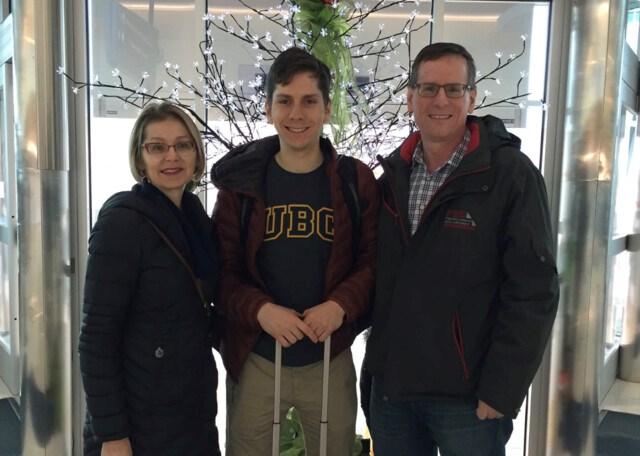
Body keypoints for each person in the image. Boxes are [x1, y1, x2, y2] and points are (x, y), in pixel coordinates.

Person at [364, 42, 559, 456]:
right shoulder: (391, 178)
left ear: (472, 97)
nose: (441, 100)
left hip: (468, 400)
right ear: (411, 97)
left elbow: (533, 290)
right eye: (429, 88)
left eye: (454, 89)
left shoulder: (509, 175)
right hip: (392, 391)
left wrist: (502, 390)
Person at [211, 47, 379, 455]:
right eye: (284, 101)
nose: (297, 114)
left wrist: (340, 304)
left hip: (329, 358)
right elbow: (221, 271)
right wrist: (260, 311)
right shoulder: (243, 183)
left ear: (326, 109)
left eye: (309, 101)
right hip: (257, 357)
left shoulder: (354, 179)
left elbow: (373, 262)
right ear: (268, 109)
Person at [79, 101, 221, 456]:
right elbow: (97, 339)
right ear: (140, 158)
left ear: (196, 154)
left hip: (191, 414)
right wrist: (112, 435)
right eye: (157, 147)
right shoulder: (122, 223)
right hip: (139, 424)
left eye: (183, 145)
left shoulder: (194, 219)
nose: (171, 156)